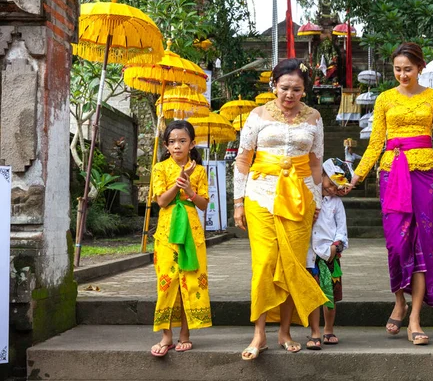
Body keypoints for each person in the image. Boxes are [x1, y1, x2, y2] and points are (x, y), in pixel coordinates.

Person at [349, 42, 433, 345]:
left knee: (424, 246)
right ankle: (399, 300)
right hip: (391, 173)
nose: (402, 74)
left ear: (421, 67)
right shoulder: (384, 99)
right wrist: (356, 177)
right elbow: (375, 143)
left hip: (424, 174)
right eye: (397, 69)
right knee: (397, 244)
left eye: (408, 69)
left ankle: (416, 318)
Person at [233, 58, 328, 360]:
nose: (289, 94)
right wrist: (237, 202)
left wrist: (318, 202)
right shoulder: (257, 115)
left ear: (304, 91)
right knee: (264, 263)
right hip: (260, 195)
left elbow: (315, 164)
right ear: (274, 85)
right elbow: (243, 160)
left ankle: (284, 331)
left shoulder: (314, 117)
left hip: (300, 198)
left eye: (297, 89)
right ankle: (259, 333)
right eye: (284, 88)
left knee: (292, 265)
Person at [150, 120, 211, 357]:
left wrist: (190, 190)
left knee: (190, 279)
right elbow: (162, 201)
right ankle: (166, 336)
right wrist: (178, 184)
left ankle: (185, 334)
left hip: (192, 232)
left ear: (192, 143)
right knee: (166, 282)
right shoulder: (160, 168)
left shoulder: (201, 171)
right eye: (172, 141)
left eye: (182, 141)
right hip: (167, 233)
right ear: (166, 145)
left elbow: (204, 204)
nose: (177, 146)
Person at [306, 158, 350, 350]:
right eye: (330, 182)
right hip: (310, 254)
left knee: (329, 295)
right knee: (312, 294)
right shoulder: (309, 196)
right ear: (321, 175)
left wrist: (336, 247)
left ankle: (328, 329)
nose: (332, 188)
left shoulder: (336, 203)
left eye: (336, 185)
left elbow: (342, 229)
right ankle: (314, 331)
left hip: (331, 254)